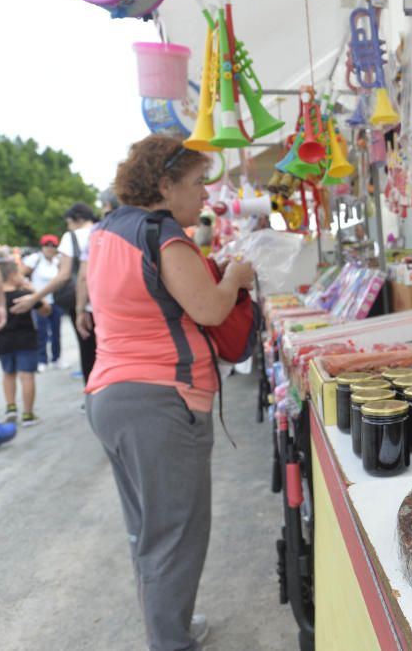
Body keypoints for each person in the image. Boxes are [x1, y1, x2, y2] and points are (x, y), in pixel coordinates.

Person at [85, 134, 254, 651]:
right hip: (159, 403)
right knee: (174, 537)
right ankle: (170, 641)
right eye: (198, 183)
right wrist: (237, 276)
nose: (204, 195)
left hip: (113, 396)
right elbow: (208, 309)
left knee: (149, 532)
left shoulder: (109, 229)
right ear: (164, 184)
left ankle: (170, 627)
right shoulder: (162, 233)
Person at [11, 203, 99, 382]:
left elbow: (68, 276)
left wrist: (34, 298)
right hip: (110, 301)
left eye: (69, 223)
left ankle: (94, 398)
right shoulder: (106, 229)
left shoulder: (72, 236)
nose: (68, 227)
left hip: (86, 304)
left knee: (89, 351)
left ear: (78, 219)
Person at [0, 259, 51, 425]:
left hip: (2, 342)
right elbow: (45, 310)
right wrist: (34, 291)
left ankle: (11, 406)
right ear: (14, 276)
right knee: (26, 375)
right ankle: (28, 414)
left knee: (8, 373)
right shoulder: (24, 296)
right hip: (25, 340)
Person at [74, 187, 120, 343]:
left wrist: (80, 309)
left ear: (107, 205)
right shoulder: (146, 225)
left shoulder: (97, 232)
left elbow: (83, 276)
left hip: (103, 309)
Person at [22, 235, 64, 371]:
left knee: (56, 332)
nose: (50, 249)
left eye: (53, 246)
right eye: (47, 245)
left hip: (55, 301)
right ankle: (42, 360)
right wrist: (33, 294)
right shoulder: (35, 259)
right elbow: (21, 276)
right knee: (41, 332)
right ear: (42, 247)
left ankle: (56, 358)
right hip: (40, 302)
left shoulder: (58, 261)